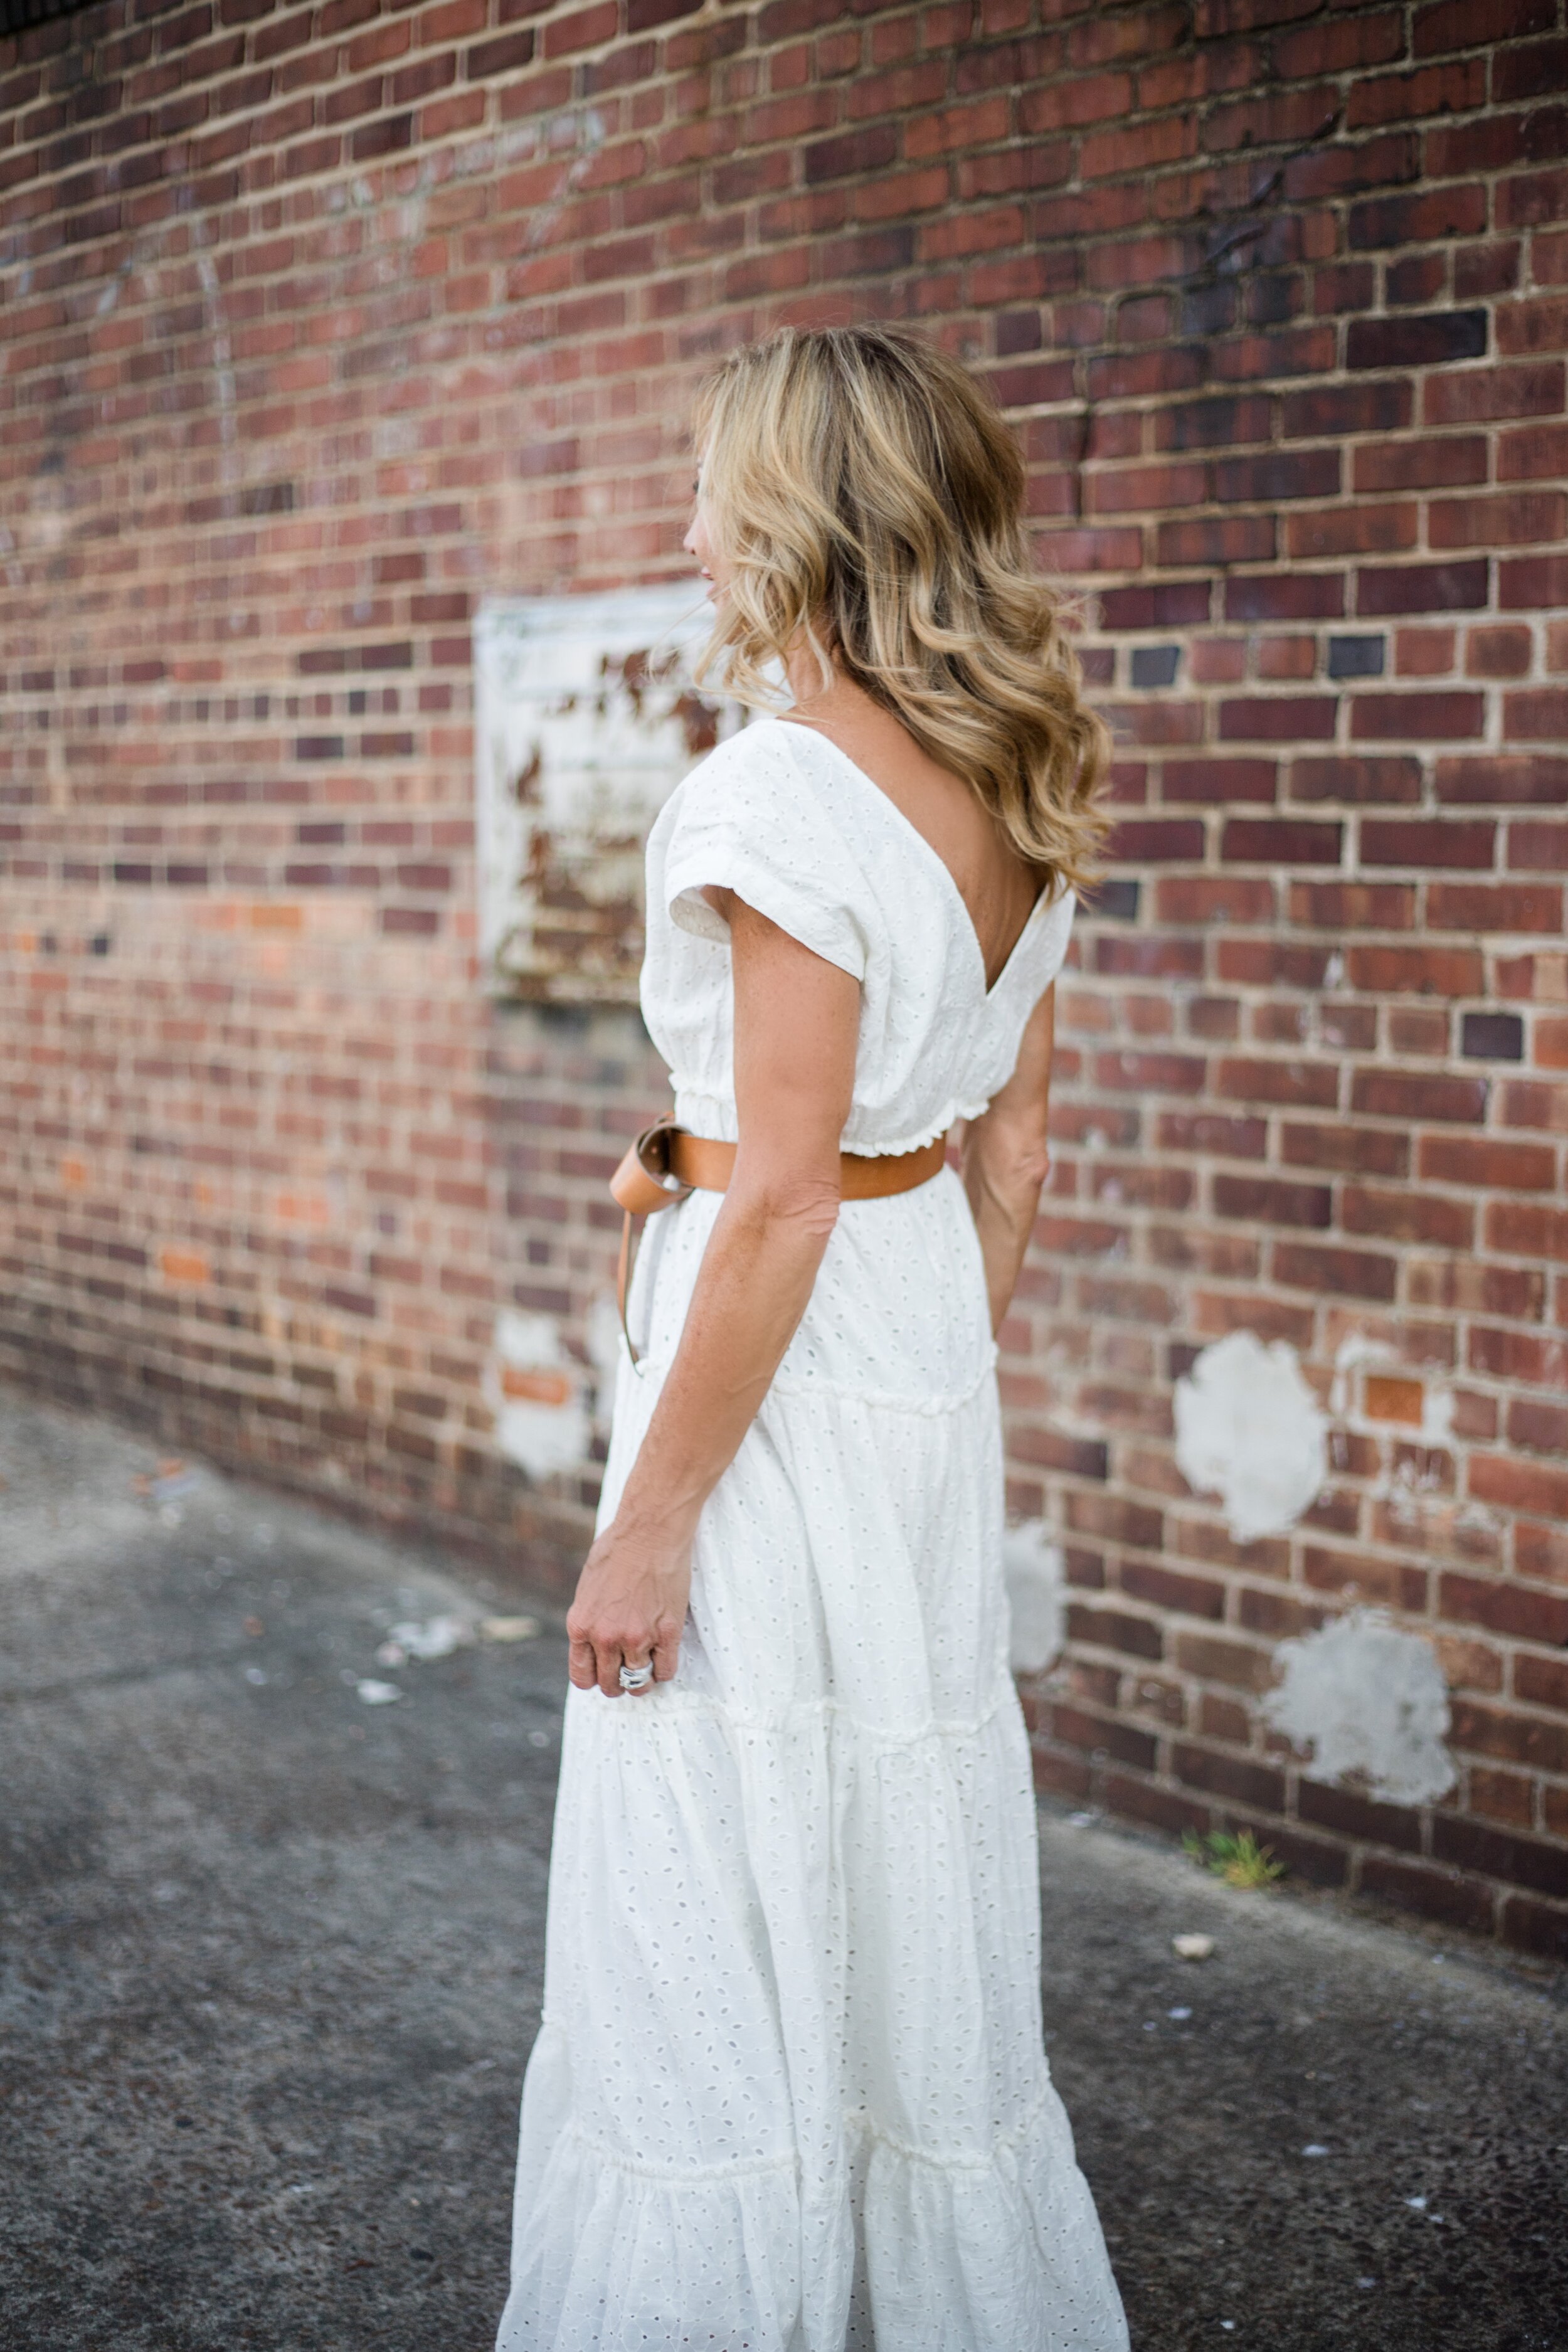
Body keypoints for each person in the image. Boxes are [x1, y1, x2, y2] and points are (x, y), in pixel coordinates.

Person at [495, 325, 1130, 2352]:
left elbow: (771, 1191)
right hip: (915, 1346)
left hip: (765, 1370)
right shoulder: (1025, 766)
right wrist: (922, 1393)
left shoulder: (775, 790)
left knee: (708, 1876)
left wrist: (648, 1524)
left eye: (711, 493)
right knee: (887, 1836)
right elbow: (1012, 1156)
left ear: (793, 519)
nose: (688, 534)